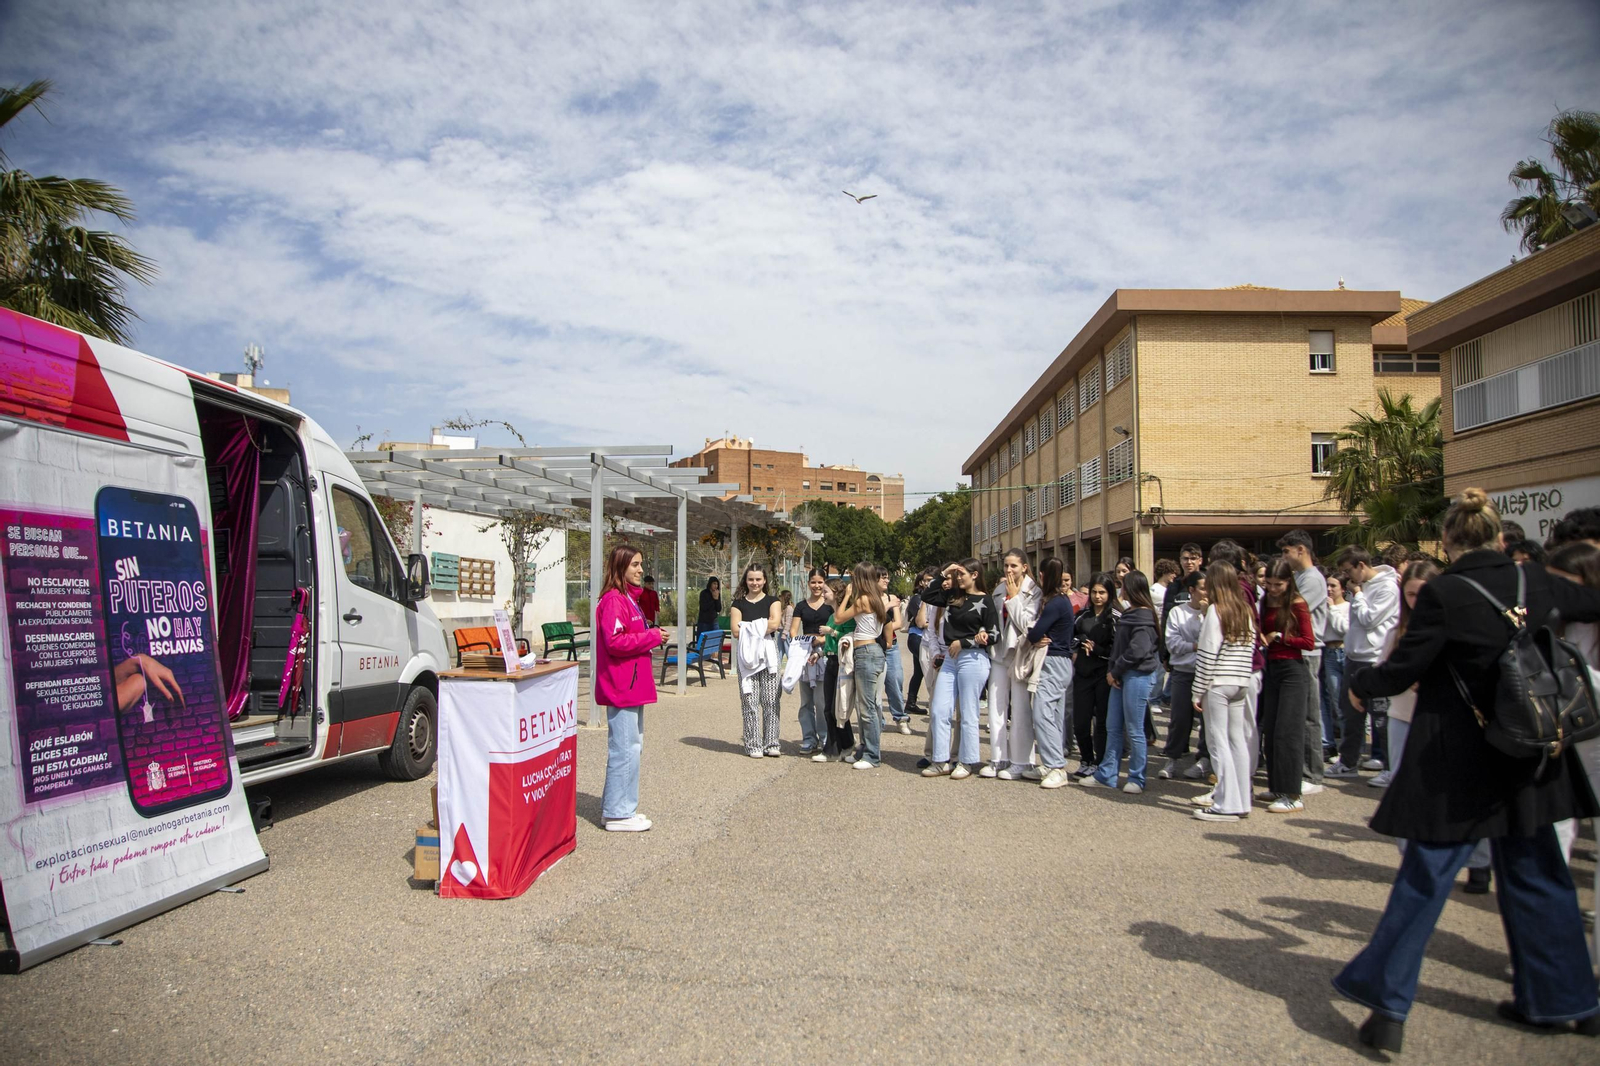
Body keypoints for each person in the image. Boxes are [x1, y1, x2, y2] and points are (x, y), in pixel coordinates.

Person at [1333, 488, 1600, 1050]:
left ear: (1450, 542)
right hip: (1530, 753)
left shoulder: (1446, 593)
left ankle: (1387, 1005)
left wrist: (1361, 689)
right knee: (1540, 876)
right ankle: (1565, 998)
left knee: (1425, 880)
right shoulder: (1536, 581)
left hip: (1458, 757)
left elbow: (1406, 666)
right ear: (1500, 537)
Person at [595, 544, 668, 832]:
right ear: (620, 566)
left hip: (631, 684)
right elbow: (615, 642)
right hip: (621, 685)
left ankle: (622, 807)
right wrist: (651, 636)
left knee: (632, 746)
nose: (640, 570)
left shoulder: (628, 599)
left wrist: (650, 635)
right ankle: (616, 813)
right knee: (624, 748)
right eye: (635, 565)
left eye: (641, 564)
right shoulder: (614, 600)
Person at [1190, 561, 1259, 822]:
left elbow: (1207, 655)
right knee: (1237, 740)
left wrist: (1197, 691)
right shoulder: (1245, 611)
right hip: (1241, 681)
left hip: (1219, 683)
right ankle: (1241, 800)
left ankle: (1226, 803)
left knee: (1218, 740)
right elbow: (1249, 649)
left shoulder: (1216, 612)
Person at [921, 559, 998, 779]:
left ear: (974, 575)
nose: (958, 578)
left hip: (972, 659)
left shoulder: (986, 601)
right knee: (939, 709)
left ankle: (966, 760)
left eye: (962, 573)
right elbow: (927, 596)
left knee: (967, 712)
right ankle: (940, 759)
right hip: (950, 660)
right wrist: (943, 572)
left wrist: (965, 642)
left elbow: (994, 635)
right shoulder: (953, 596)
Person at [1085, 571, 1161, 793]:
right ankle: (1107, 774)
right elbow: (1118, 648)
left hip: (1137, 675)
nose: (1121, 590)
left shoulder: (1145, 616)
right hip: (1119, 675)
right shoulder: (1129, 613)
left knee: (1135, 729)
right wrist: (1114, 671)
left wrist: (1116, 670)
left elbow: (1137, 650)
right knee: (1112, 726)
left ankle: (1136, 778)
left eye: (1123, 586)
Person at [1368, 559, 1440, 792]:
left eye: (1422, 593)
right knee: (1403, 785)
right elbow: (1383, 672)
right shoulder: (1396, 632)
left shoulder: (1450, 628)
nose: (1416, 601)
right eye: (1410, 594)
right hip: (1400, 715)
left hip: (1436, 717)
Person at [1327, 548, 1399, 778]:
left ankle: (1390, 767)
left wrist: (1357, 595)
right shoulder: (1363, 587)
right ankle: (1348, 763)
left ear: (1361, 565)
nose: (1348, 577)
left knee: (1381, 718)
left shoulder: (1387, 587)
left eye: (1349, 571)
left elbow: (1370, 619)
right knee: (1350, 714)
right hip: (1354, 657)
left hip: (1375, 659)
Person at [1256, 558, 1315, 812]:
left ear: (1288, 582)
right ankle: (1277, 786)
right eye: (1268, 583)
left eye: (1278, 584)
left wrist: (1280, 637)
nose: (1272, 589)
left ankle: (1293, 794)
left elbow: (1308, 642)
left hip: (1293, 670)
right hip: (1271, 667)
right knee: (1270, 730)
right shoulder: (1264, 601)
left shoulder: (1297, 603)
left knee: (1288, 733)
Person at [1277, 530, 1328, 796]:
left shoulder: (1313, 579)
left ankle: (1312, 774)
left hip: (1307, 653)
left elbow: (1294, 611)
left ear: (1300, 549)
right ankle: (1302, 770)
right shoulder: (1298, 577)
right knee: (1298, 716)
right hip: (1292, 651)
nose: (1283, 558)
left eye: (1286, 552)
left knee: (1309, 716)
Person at [986, 548, 1042, 779]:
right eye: (1006, 565)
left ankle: (1022, 761)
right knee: (996, 707)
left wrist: (1015, 597)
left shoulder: (1033, 591)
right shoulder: (999, 590)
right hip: (998, 653)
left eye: (1014, 566)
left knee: (1020, 709)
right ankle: (998, 758)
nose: (1009, 570)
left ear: (1024, 567)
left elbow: (1027, 624)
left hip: (1020, 654)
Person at [833, 563, 892, 768]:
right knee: (865, 705)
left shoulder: (863, 599)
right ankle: (865, 749)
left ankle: (872, 755)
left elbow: (838, 618)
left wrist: (848, 595)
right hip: (870, 650)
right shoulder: (876, 598)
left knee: (866, 707)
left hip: (866, 652)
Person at [1026, 557, 1077, 789]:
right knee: (1053, 715)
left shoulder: (1056, 603)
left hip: (1054, 661)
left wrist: (1033, 635)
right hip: (1061, 662)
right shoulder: (1062, 600)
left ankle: (1056, 765)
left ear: (1044, 575)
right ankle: (1051, 763)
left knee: (1042, 713)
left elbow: (1036, 633)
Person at [730, 563, 783, 758]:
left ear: (764, 580)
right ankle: (753, 744)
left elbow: (775, 623)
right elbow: (735, 630)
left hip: (769, 656)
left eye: (758, 579)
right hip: (747, 658)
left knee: (771, 700)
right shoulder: (738, 604)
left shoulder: (773, 601)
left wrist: (748, 627)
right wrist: (762, 625)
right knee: (749, 701)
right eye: (751, 579)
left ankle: (772, 742)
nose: (755, 583)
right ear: (746, 580)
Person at [1158, 570, 1206, 780]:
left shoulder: (1213, 613)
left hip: (1206, 673)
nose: (1208, 592)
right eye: (1204, 588)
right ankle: (1172, 759)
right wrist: (1197, 645)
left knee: (1207, 721)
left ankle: (1204, 759)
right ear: (1192, 590)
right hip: (1182, 673)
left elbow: (1215, 641)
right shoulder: (1178, 612)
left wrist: (1206, 615)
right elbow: (1173, 644)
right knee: (1179, 718)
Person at [1070, 573, 1117, 777]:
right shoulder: (1082, 615)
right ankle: (1086, 759)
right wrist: (1079, 643)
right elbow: (1069, 636)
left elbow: (1117, 649)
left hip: (1103, 674)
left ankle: (1100, 761)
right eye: (1095, 592)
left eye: (1102, 593)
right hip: (1082, 673)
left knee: (1102, 722)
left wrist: (1098, 649)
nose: (1098, 597)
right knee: (1080, 721)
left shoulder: (1114, 617)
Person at [791, 569, 834, 757]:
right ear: (808, 583)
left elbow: (835, 628)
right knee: (806, 701)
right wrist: (804, 642)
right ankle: (808, 738)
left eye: (820, 582)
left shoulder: (830, 605)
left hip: (824, 653)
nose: (817, 586)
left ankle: (824, 737)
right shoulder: (801, 606)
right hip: (804, 654)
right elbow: (793, 630)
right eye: (813, 582)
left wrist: (821, 641)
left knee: (821, 700)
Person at [874, 566, 911, 735]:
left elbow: (898, 623)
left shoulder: (892, 597)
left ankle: (900, 718)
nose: (886, 580)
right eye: (883, 577)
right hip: (873, 645)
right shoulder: (868, 599)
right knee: (874, 687)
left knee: (895, 681)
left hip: (891, 646)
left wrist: (880, 625)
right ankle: (878, 720)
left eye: (887, 577)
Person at [1321, 572, 1349, 760]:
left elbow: (1343, 629)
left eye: (1334, 586)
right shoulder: (1324, 607)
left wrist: (1332, 610)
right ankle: (1329, 744)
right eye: (1328, 585)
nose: (1329, 589)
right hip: (1329, 653)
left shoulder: (1348, 607)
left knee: (1344, 703)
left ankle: (1349, 749)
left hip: (1344, 652)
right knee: (1333, 701)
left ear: (1343, 589)